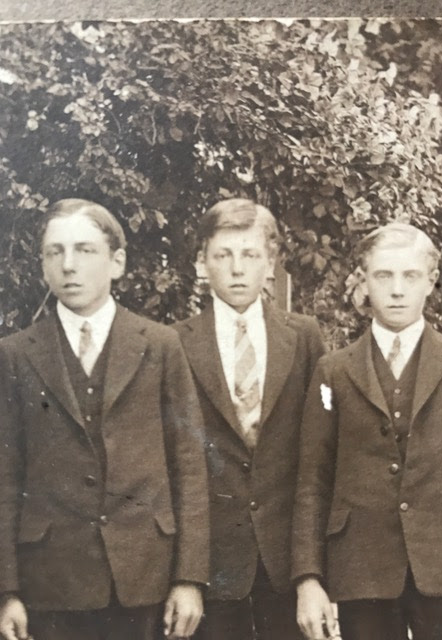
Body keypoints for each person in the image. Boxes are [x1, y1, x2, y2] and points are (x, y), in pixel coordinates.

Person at [0, 198, 209, 640]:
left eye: (84, 250)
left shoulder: (160, 345)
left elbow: (189, 467)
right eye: (55, 252)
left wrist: (189, 578)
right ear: (43, 266)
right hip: (50, 583)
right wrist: (6, 591)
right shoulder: (15, 354)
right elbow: (4, 476)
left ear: (117, 263)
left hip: (144, 579)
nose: (68, 265)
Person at [292, 222, 442, 640]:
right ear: (363, 280)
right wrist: (308, 578)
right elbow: (312, 481)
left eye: (410, 276)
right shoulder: (333, 371)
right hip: (362, 568)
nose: (397, 290)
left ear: (431, 281)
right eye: (383, 275)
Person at [175, 198, 325, 640]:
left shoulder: (304, 337)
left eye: (250, 255)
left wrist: (312, 571)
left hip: (287, 560)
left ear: (271, 262)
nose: (237, 269)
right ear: (203, 262)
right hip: (212, 563)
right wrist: (185, 573)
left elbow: (318, 458)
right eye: (223, 255)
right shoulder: (174, 343)